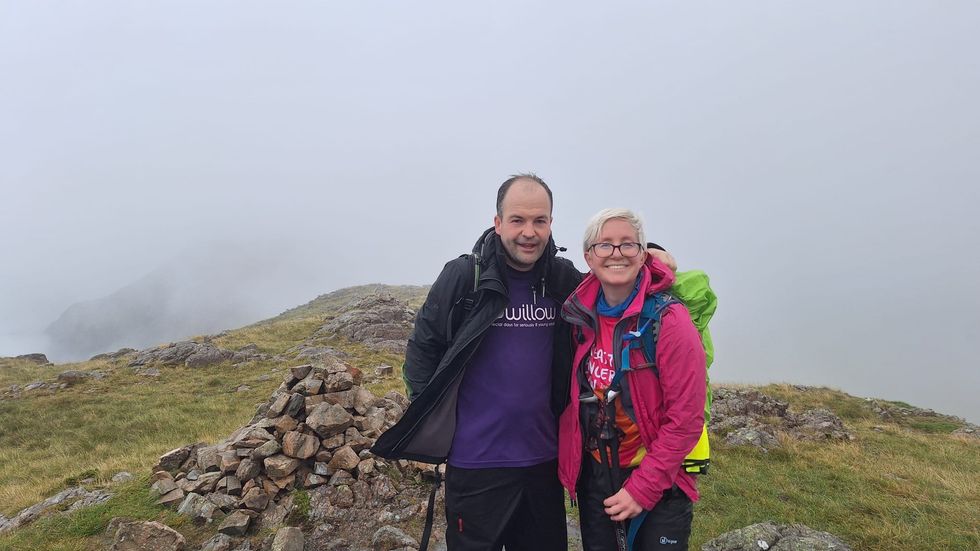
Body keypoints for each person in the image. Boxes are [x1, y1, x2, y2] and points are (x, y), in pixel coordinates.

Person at [372, 176, 677, 551]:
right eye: (517, 220)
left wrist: (654, 254)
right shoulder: (465, 277)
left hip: (544, 463)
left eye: (540, 221)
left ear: (551, 224)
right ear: (498, 222)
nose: (528, 232)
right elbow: (422, 350)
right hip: (475, 463)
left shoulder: (563, 278)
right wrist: (438, 418)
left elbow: (617, 279)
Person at [557, 208, 706, 551]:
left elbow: (685, 420)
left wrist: (642, 488)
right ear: (588, 257)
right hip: (597, 476)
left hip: (660, 481)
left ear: (643, 255)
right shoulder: (579, 316)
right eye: (605, 245)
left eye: (628, 245)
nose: (617, 254)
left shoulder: (669, 322)